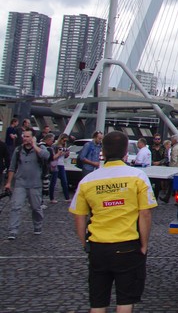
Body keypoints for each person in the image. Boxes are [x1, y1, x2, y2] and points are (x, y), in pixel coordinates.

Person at [70, 131, 157, 313]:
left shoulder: (87, 180)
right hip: (128, 245)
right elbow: (145, 214)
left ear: (103, 151)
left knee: (97, 302)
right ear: (126, 152)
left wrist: (85, 243)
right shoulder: (138, 176)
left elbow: (79, 216)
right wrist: (144, 245)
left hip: (98, 247)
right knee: (125, 300)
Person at [4, 128, 50, 239]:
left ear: (33, 138)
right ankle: (13, 230)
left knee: (36, 208)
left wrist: (34, 145)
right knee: (15, 207)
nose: (25, 138)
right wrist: (8, 183)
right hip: (20, 183)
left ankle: (37, 225)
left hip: (35, 184)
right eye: (24, 136)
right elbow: (12, 167)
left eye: (27, 136)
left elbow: (46, 156)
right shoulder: (18, 150)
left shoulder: (40, 148)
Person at [48, 134, 71, 204]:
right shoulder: (55, 146)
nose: (65, 142)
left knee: (64, 181)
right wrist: (61, 153)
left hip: (61, 164)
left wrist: (66, 154)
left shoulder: (64, 146)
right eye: (64, 140)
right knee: (53, 181)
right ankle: (51, 198)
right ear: (61, 139)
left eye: (66, 141)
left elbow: (65, 156)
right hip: (55, 164)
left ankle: (67, 197)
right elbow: (53, 156)